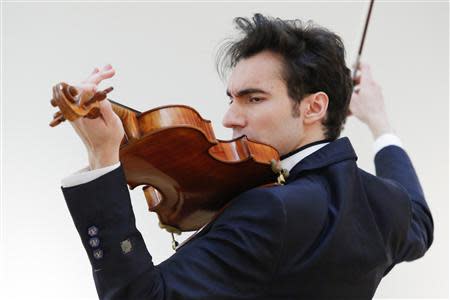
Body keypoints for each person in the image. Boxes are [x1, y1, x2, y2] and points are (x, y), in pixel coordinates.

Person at [60, 14, 433, 300]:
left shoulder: (269, 211)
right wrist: (380, 122)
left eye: (253, 99)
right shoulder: (388, 207)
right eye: (231, 98)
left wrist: (103, 154)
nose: (229, 118)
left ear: (314, 107)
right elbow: (421, 220)